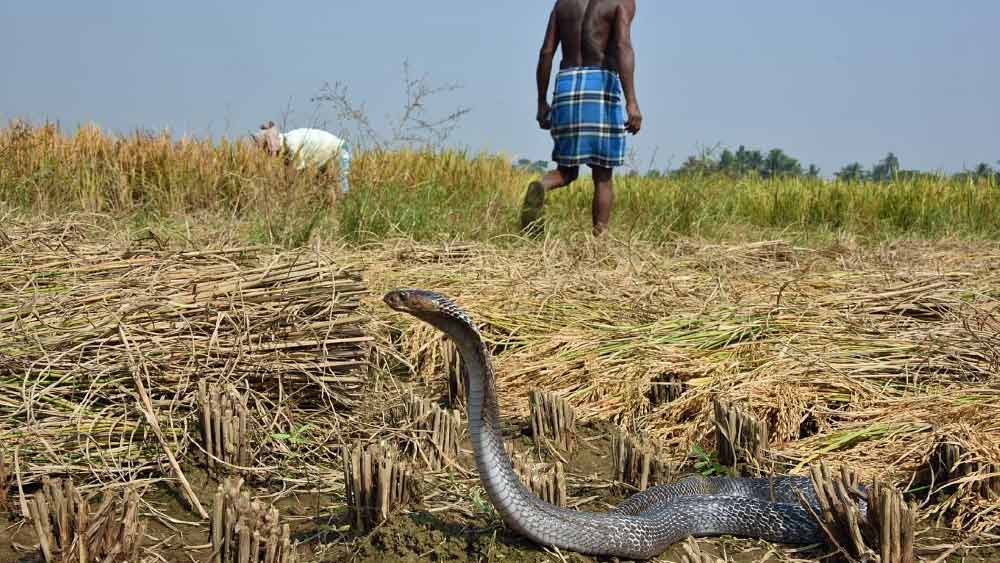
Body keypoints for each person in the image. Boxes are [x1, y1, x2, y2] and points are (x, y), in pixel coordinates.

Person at [521, 0, 642, 237]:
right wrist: (632, 102)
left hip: (566, 83)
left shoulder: (563, 3)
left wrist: (541, 102)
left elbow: (546, 52)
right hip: (600, 84)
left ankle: (542, 185)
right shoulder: (620, 2)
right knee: (603, 175)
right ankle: (598, 245)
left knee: (566, 171)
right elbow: (622, 46)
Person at [253, 121, 352, 195]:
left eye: (266, 148)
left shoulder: (292, 144)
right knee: (322, 190)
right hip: (325, 159)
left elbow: (294, 177)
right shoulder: (287, 146)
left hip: (339, 151)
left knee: (341, 191)